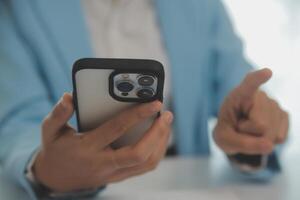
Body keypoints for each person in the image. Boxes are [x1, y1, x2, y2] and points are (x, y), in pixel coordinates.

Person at [0, 0, 289, 199]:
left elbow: (239, 89)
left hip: (189, 188)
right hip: (77, 190)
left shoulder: (199, 5)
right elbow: (16, 120)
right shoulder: (19, 9)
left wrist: (252, 134)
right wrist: (44, 167)